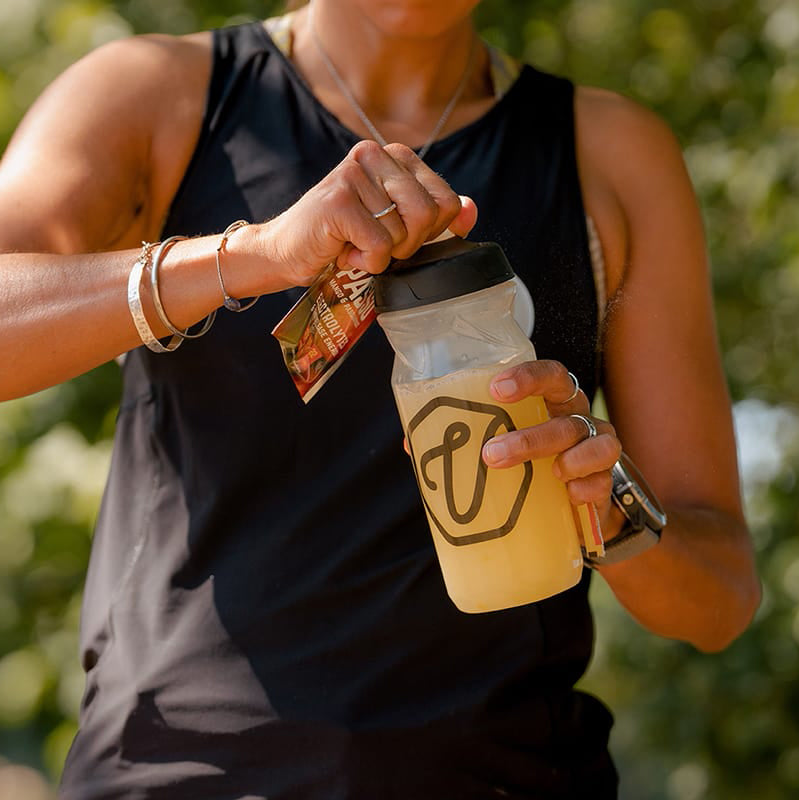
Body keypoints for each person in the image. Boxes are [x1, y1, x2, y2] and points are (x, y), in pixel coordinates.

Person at [0, 0, 760, 797]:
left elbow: (720, 597)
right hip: (181, 772)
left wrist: (610, 507)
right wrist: (250, 255)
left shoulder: (611, 154)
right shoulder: (157, 94)